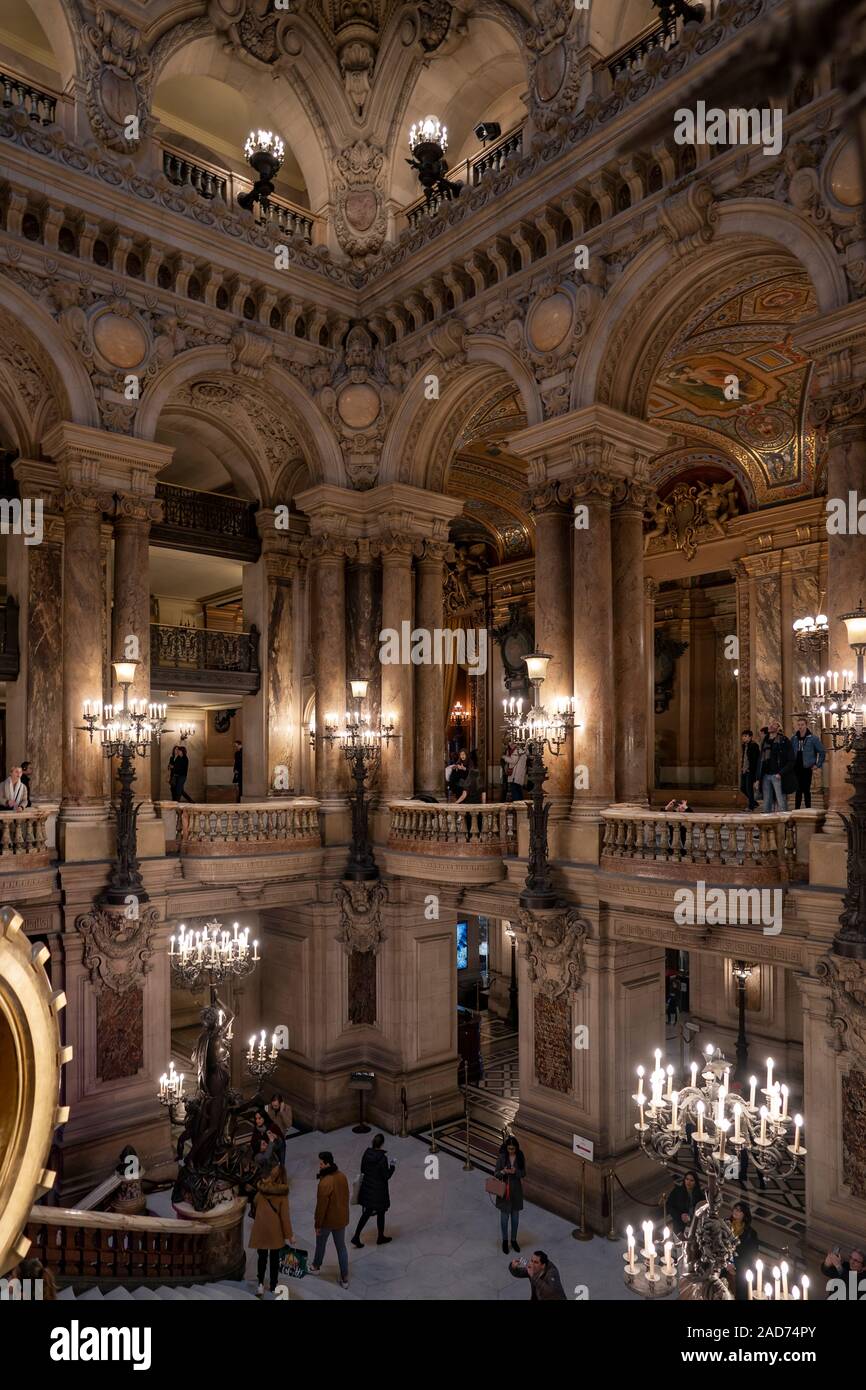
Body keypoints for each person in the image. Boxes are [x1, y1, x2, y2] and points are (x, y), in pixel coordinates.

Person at [249, 1158, 294, 1297]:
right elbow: (284, 1217)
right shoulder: (282, 1195)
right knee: (274, 1259)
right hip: (275, 1232)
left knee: (261, 1258)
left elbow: (255, 1202)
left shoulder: (262, 1188)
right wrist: (290, 1235)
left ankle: (260, 1285)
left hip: (261, 1229)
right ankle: (274, 1285)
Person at [310, 1151, 350, 1287]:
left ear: (327, 1163)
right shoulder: (342, 1177)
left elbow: (321, 1207)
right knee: (341, 1248)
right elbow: (345, 1197)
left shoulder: (325, 1182)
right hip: (340, 1220)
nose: (319, 1166)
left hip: (327, 1221)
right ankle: (345, 1278)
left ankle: (316, 1266)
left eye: (321, 1163)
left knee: (321, 1244)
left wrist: (317, 1224)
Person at [351, 1132, 395, 1248]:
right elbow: (386, 1176)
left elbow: (362, 1170)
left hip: (367, 1188)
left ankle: (356, 1236)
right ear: (382, 1144)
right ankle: (380, 1237)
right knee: (381, 1212)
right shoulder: (382, 1159)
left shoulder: (366, 1154)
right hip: (379, 1190)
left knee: (366, 1213)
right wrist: (392, 1168)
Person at [494, 1136, 526, 1253]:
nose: (511, 1151)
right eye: (509, 1148)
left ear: (516, 1148)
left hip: (516, 1191)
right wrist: (504, 1171)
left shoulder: (520, 1157)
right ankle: (505, 1240)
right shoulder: (502, 1157)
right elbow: (496, 1174)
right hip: (504, 1191)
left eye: (513, 1149)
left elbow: (523, 1173)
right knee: (504, 1218)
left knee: (515, 1218)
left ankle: (513, 1240)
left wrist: (515, 1172)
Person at [757, 719, 795, 812]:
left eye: (774, 725)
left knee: (781, 801)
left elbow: (791, 760)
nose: (770, 726)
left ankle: (784, 824)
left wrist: (781, 773)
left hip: (777, 775)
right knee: (766, 802)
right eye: (770, 724)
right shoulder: (765, 741)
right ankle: (767, 824)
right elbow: (760, 760)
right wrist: (758, 778)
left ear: (778, 728)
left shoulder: (784, 740)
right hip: (765, 775)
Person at [726, 1199, 759, 1300]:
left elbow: (751, 1255)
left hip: (741, 1266)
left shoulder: (751, 1233)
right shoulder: (724, 1225)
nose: (736, 1212)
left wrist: (735, 1265)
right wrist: (727, 1263)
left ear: (744, 1214)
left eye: (739, 1210)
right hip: (723, 1262)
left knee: (741, 1289)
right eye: (735, 1209)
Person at [790, 717, 826, 809]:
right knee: (797, 789)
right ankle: (797, 810)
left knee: (806, 789)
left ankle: (808, 809)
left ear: (806, 725)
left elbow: (822, 751)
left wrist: (817, 764)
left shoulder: (813, 738)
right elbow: (790, 752)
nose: (800, 727)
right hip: (796, 767)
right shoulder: (794, 739)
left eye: (802, 725)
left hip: (807, 767)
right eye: (799, 725)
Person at [667, 1171, 703, 1237]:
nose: (688, 1182)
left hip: (694, 1223)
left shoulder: (700, 1194)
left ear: (695, 1183)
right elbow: (669, 1206)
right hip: (680, 1224)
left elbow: (702, 1208)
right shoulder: (677, 1191)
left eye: (691, 1180)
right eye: (687, 1179)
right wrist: (680, 1215)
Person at [739, 729, 760, 811]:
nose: (743, 738)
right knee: (742, 788)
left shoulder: (754, 746)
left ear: (750, 737)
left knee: (749, 788)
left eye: (745, 736)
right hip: (744, 770)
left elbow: (755, 760)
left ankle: (751, 807)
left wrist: (751, 770)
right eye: (743, 736)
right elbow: (744, 758)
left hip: (750, 771)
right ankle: (754, 802)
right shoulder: (744, 745)